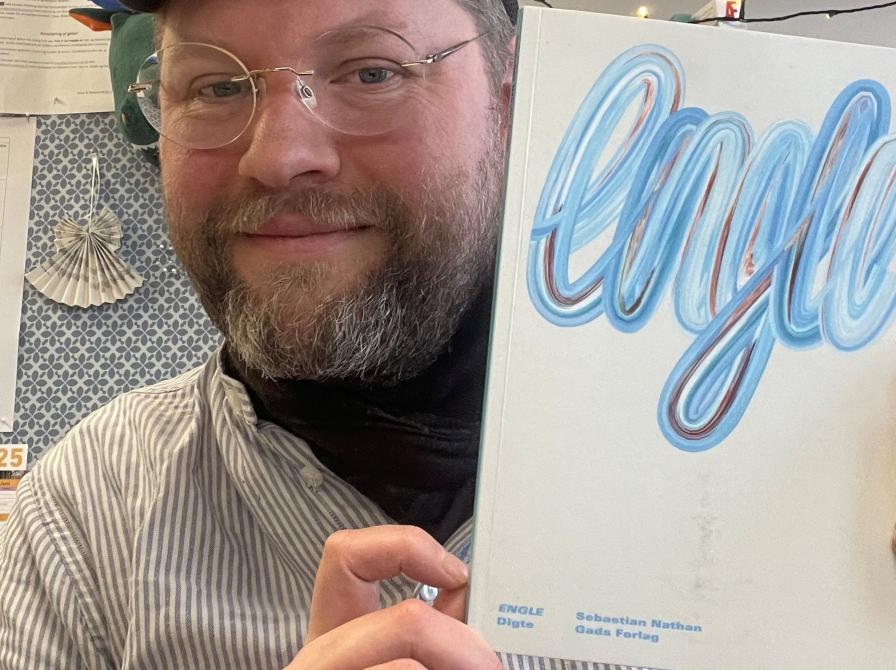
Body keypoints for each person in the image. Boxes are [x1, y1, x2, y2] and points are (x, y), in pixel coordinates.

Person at [0, 0, 520, 668]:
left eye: (371, 73)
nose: (278, 157)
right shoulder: (85, 515)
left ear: (508, 104)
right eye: (215, 87)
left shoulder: (658, 479)